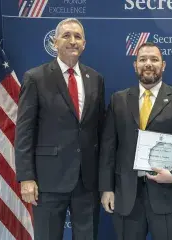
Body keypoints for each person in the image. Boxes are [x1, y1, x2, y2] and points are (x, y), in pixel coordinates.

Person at [99, 42, 172, 240]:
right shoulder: (118, 100)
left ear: (163, 65)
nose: (148, 64)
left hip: (169, 197)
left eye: (154, 59)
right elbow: (108, 147)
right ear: (135, 65)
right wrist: (106, 188)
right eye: (143, 59)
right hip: (127, 198)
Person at [15, 18, 105, 240]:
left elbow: (99, 131)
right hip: (48, 181)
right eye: (66, 35)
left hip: (87, 181)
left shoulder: (95, 79)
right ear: (55, 43)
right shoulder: (35, 78)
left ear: (84, 43)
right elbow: (24, 131)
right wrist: (26, 177)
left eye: (77, 36)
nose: (72, 41)